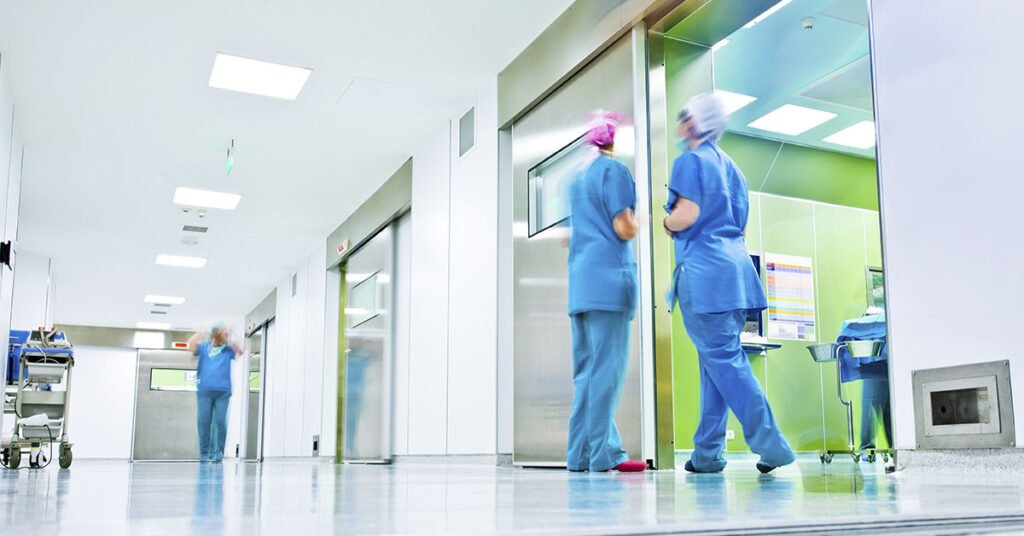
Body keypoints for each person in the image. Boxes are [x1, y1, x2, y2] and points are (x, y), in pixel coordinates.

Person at [663, 93, 795, 474]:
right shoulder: (733, 168)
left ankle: (772, 445)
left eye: (682, 117)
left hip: (705, 279)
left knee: (727, 364)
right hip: (736, 276)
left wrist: (666, 221)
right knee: (716, 366)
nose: (679, 125)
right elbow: (740, 225)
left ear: (692, 124)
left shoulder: (690, 160)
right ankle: (706, 454)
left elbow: (686, 215)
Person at [566, 111, 646, 473]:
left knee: (586, 373)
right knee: (606, 374)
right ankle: (603, 455)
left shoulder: (577, 179)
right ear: (614, 139)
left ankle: (579, 455)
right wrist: (652, 220)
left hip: (581, 286)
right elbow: (624, 227)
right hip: (608, 284)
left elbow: (569, 236)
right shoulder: (613, 171)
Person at [188, 324, 241, 463]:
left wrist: (229, 336)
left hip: (222, 392)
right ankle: (204, 453)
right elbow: (190, 345)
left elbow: (240, 351)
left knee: (220, 422)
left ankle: (218, 452)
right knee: (203, 422)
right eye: (218, 333)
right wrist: (202, 331)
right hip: (204, 391)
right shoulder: (204, 346)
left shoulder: (228, 349)